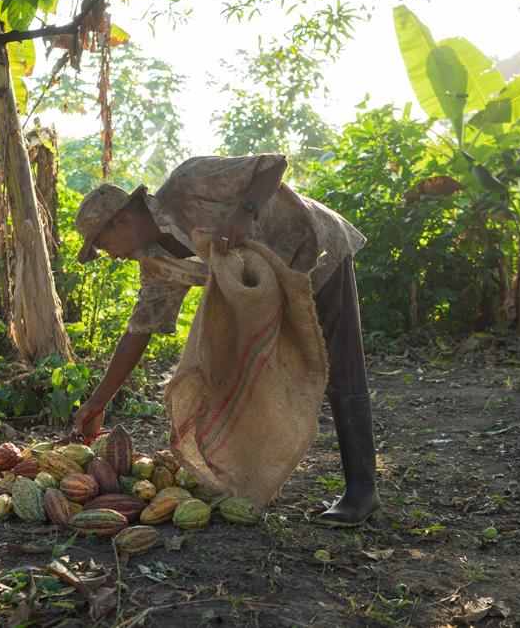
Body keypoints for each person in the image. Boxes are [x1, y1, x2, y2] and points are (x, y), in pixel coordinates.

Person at [71, 153, 383, 527]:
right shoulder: (156, 264)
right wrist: (97, 400)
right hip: (270, 289)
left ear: (121, 219)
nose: (112, 256)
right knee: (253, 370)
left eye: (105, 246)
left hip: (315, 250)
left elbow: (273, 166)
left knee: (343, 365)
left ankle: (363, 492)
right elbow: (140, 329)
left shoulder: (188, 182)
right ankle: (253, 476)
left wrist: (244, 213)